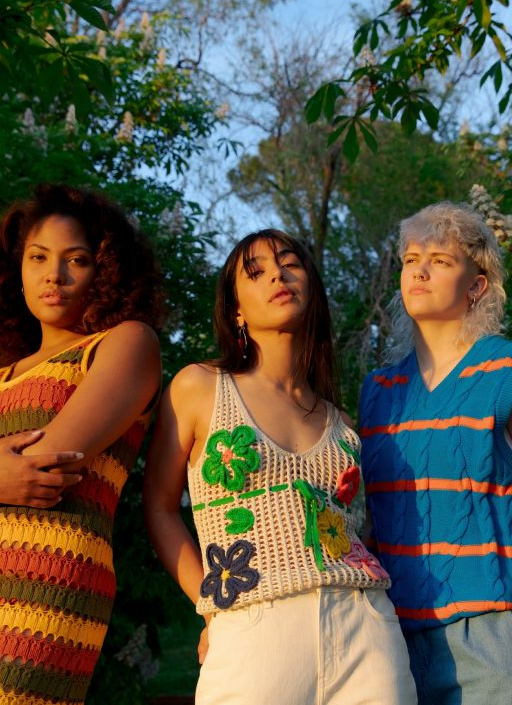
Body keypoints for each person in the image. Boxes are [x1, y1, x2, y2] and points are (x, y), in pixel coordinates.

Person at [0, 184, 162, 704]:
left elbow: (48, 458)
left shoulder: (125, 343)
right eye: (38, 257)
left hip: (42, 594)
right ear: (15, 271)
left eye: (77, 260)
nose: (54, 275)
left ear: (105, 272)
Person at [143, 229, 417, 705]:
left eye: (290, 263)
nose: (277, 274)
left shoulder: (342, 423)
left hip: (367, 630)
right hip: (253, 634)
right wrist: (209, 608)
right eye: (256, 272)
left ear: (311, 288)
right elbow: (160, 508)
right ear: (236, 311)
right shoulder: (199, 387)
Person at [359, 202, 512, 705]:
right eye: (411, 259)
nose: (419, 270)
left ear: (477, 285)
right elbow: (377, 520)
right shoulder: (378, 392)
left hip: (492, 645)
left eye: (440, 260)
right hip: (391, 646)